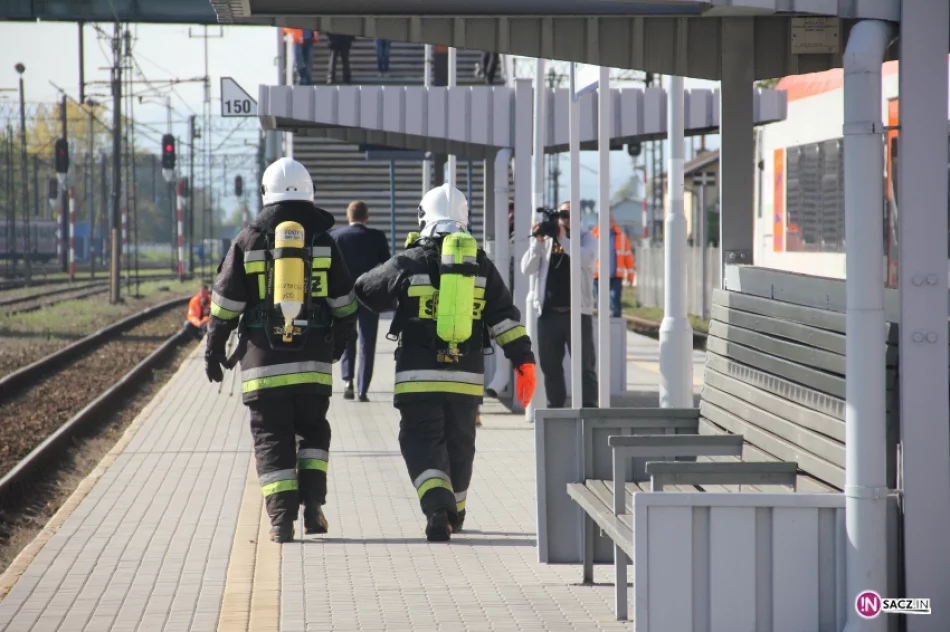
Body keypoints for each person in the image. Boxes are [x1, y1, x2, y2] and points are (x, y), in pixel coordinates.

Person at [354, 184, 536, 541]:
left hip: (417, 376)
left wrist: (400, 274)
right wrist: (524, 360)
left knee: (421, 440)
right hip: (466, 378)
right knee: (460, 445)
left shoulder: (413, 259)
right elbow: (504, 318)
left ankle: (438, 507)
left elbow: (366, 289)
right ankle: (457, 511)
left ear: (424, 217)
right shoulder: (481, 264)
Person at [204, 157, 358, 543]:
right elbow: (344, 303)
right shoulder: (324, 241)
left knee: (271, 438)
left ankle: (280, 521)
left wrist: (213, 349)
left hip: (263, 362)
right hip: (314, 363)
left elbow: (224, 305)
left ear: (265, 194)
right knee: (313, 433)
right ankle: (314, 510)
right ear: (310, 194)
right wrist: (339, 343)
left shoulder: (248, 240)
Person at [521, 201, 599, 408]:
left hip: (577, 313)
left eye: (569, 215)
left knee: (585, 366)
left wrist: (563, 239)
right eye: (562, 215)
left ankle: (589, 409)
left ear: (579, 217)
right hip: (548, 314)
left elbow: (587, 258)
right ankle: (555, 409)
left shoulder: (586, 237)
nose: (565, 219)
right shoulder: (546, 241)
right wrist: (538, 241)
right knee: (550, 366)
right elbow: (527, 269)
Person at [331, 200, 392, 402]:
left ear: (348, 216)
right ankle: (363, 388)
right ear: (366, 217)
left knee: (347, 336)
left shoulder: (336, 237)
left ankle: (347, 380)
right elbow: (387, 266)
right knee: (368, 341)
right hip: (370, 295)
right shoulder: (376, 237)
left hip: (344, 295)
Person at [592, 215, 635, 318]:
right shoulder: (593, 236)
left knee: (615, 299)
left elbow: (628, 257)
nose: (609, 223)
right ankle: (600, 324)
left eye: (611, 221)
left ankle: (615, 323)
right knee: (600, 302)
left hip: (615, 276)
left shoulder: (621, 236)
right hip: (598, 276)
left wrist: (630, 276)